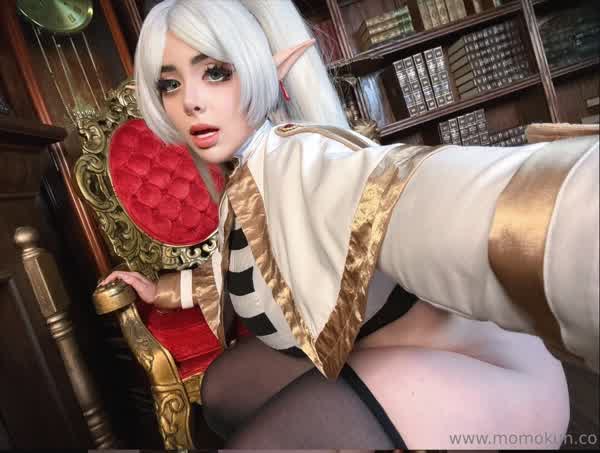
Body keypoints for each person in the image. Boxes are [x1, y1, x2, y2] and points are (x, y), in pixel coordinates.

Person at [101, 0, 599, 448]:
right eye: (170, 83)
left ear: (261, 69)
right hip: (395, 353)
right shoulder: (245, 184)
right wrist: (161, 290)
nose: (190, 100)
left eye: (215, 72)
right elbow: (245, 269)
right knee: (223, 388)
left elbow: (421, 198)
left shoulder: (309, 160)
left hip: (493, 377)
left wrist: (572, 219)